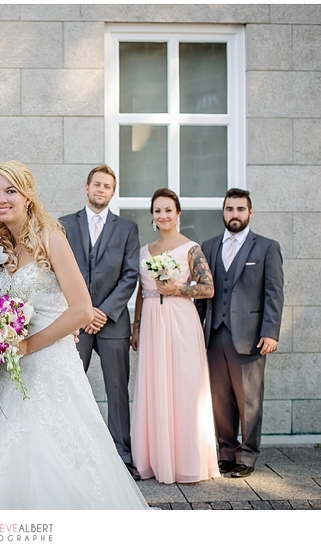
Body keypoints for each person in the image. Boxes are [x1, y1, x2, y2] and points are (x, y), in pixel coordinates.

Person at [0, 160, 152, 510]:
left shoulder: (50, 236)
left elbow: (82, 309)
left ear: (27, 196)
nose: (0, 199)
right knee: (10, 450)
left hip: (50, 363)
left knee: (61, 452)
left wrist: (26, 345)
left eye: (10, 190)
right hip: (12, 369)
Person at [130, 188, 220, 484]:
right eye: (157, 210)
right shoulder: (145, 251)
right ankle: (154, 460)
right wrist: (136, 326)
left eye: (168, 210)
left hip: (181, 321)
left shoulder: (190, 248)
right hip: (153, 326)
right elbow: (143, 292)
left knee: (183, 385)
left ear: (178, 214)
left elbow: (208, 288)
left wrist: (177, 290)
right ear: (152, 216)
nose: (163, 215)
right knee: (155, 386)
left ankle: (186, 462)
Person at [59, 164, 141, 480]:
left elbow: (130, 274)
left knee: (117, 390)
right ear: (87, 187)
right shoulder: (65, 225)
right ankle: (68, 452)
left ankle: (122, 455)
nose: (101, 190)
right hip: (74, 324)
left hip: (113, 323)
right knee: (67, 386)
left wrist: (102, 312)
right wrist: (82, 312)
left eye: (107, 186)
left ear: (112, 191)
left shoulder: (127, 229)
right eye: (97, 185)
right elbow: (57, 271)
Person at [195, 189, 284, 478]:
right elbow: (200, 296)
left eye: (240, 209)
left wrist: (270, 332)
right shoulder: (208, 246)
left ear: (250, 212)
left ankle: (247, 455)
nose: (235, 214)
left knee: (249, 399)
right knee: (219, 400)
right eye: (230, 209)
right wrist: (195, 331)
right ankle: (225, 452)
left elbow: (274, 293)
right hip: (214, 335)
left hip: (250, 337)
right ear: (223, 212)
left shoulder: (267, 248)